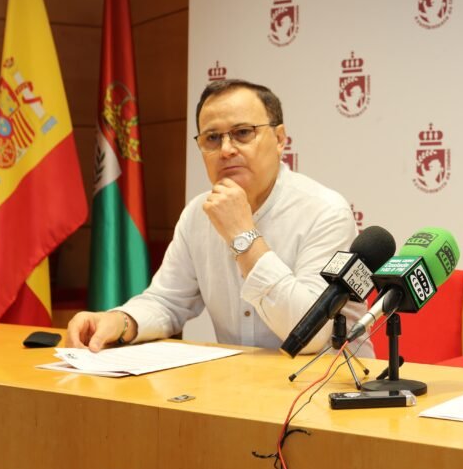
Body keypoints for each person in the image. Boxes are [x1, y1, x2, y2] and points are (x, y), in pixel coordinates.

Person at [67, 79, 364, 354]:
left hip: (328, 393)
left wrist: (243, 235)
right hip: (237, 389)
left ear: (279, 139)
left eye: (243, 133)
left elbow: (310, 335)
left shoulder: (325, 212)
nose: (225, 150)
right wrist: (120, 321)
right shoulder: (197, 214)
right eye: (212, 138)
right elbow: (167, 301)